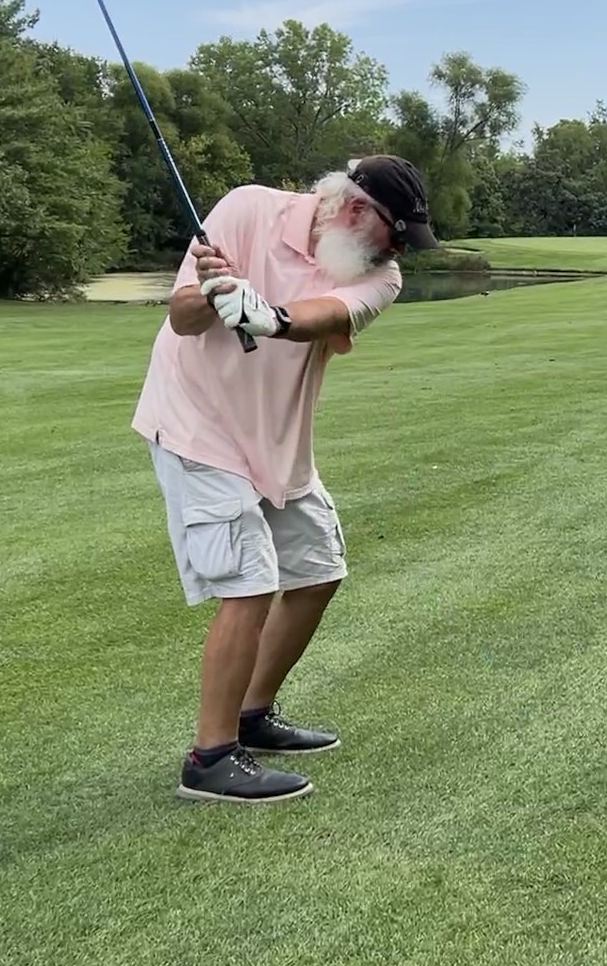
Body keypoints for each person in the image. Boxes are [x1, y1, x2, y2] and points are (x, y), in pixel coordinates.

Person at [130, 154, 440, 804]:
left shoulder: (380, 276)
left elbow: (326, 314)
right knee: (250, 581)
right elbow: (182, 318)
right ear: (355, 208)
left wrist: (268, 315)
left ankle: (251, 714)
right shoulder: (247, 209)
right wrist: (212, 293)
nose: (397, 252)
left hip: (276, 441)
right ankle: (210, 757)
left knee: (318, 570)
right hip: (197, 423)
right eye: (394, 234)